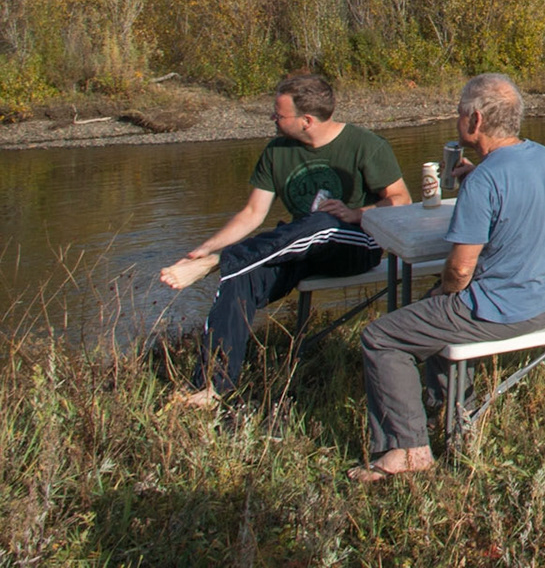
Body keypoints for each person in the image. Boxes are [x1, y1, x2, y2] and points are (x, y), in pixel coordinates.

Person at [352, 73, 545, 482]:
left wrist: (446, 292)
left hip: (502, 309)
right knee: (434, 313)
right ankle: (450, 411)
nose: (457, 119)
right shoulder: (543, 156)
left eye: (458, 112)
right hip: (543, 300)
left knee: (381, 337)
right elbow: (516, 203)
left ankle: (410, 447)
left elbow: (460, 269)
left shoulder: (485, 181)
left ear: (475, 121)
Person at [160, 72, 408, 408]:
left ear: (306, 120)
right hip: (299, 247)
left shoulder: (366, 145)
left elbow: (400, 200)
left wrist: (356, 213)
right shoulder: (277, 152)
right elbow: (251, 214)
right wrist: (204, 248)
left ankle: (221, 261)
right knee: (240, 277)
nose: (273, 120)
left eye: (279, 115)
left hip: (355, 246)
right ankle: (211, 388)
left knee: (322, 223)